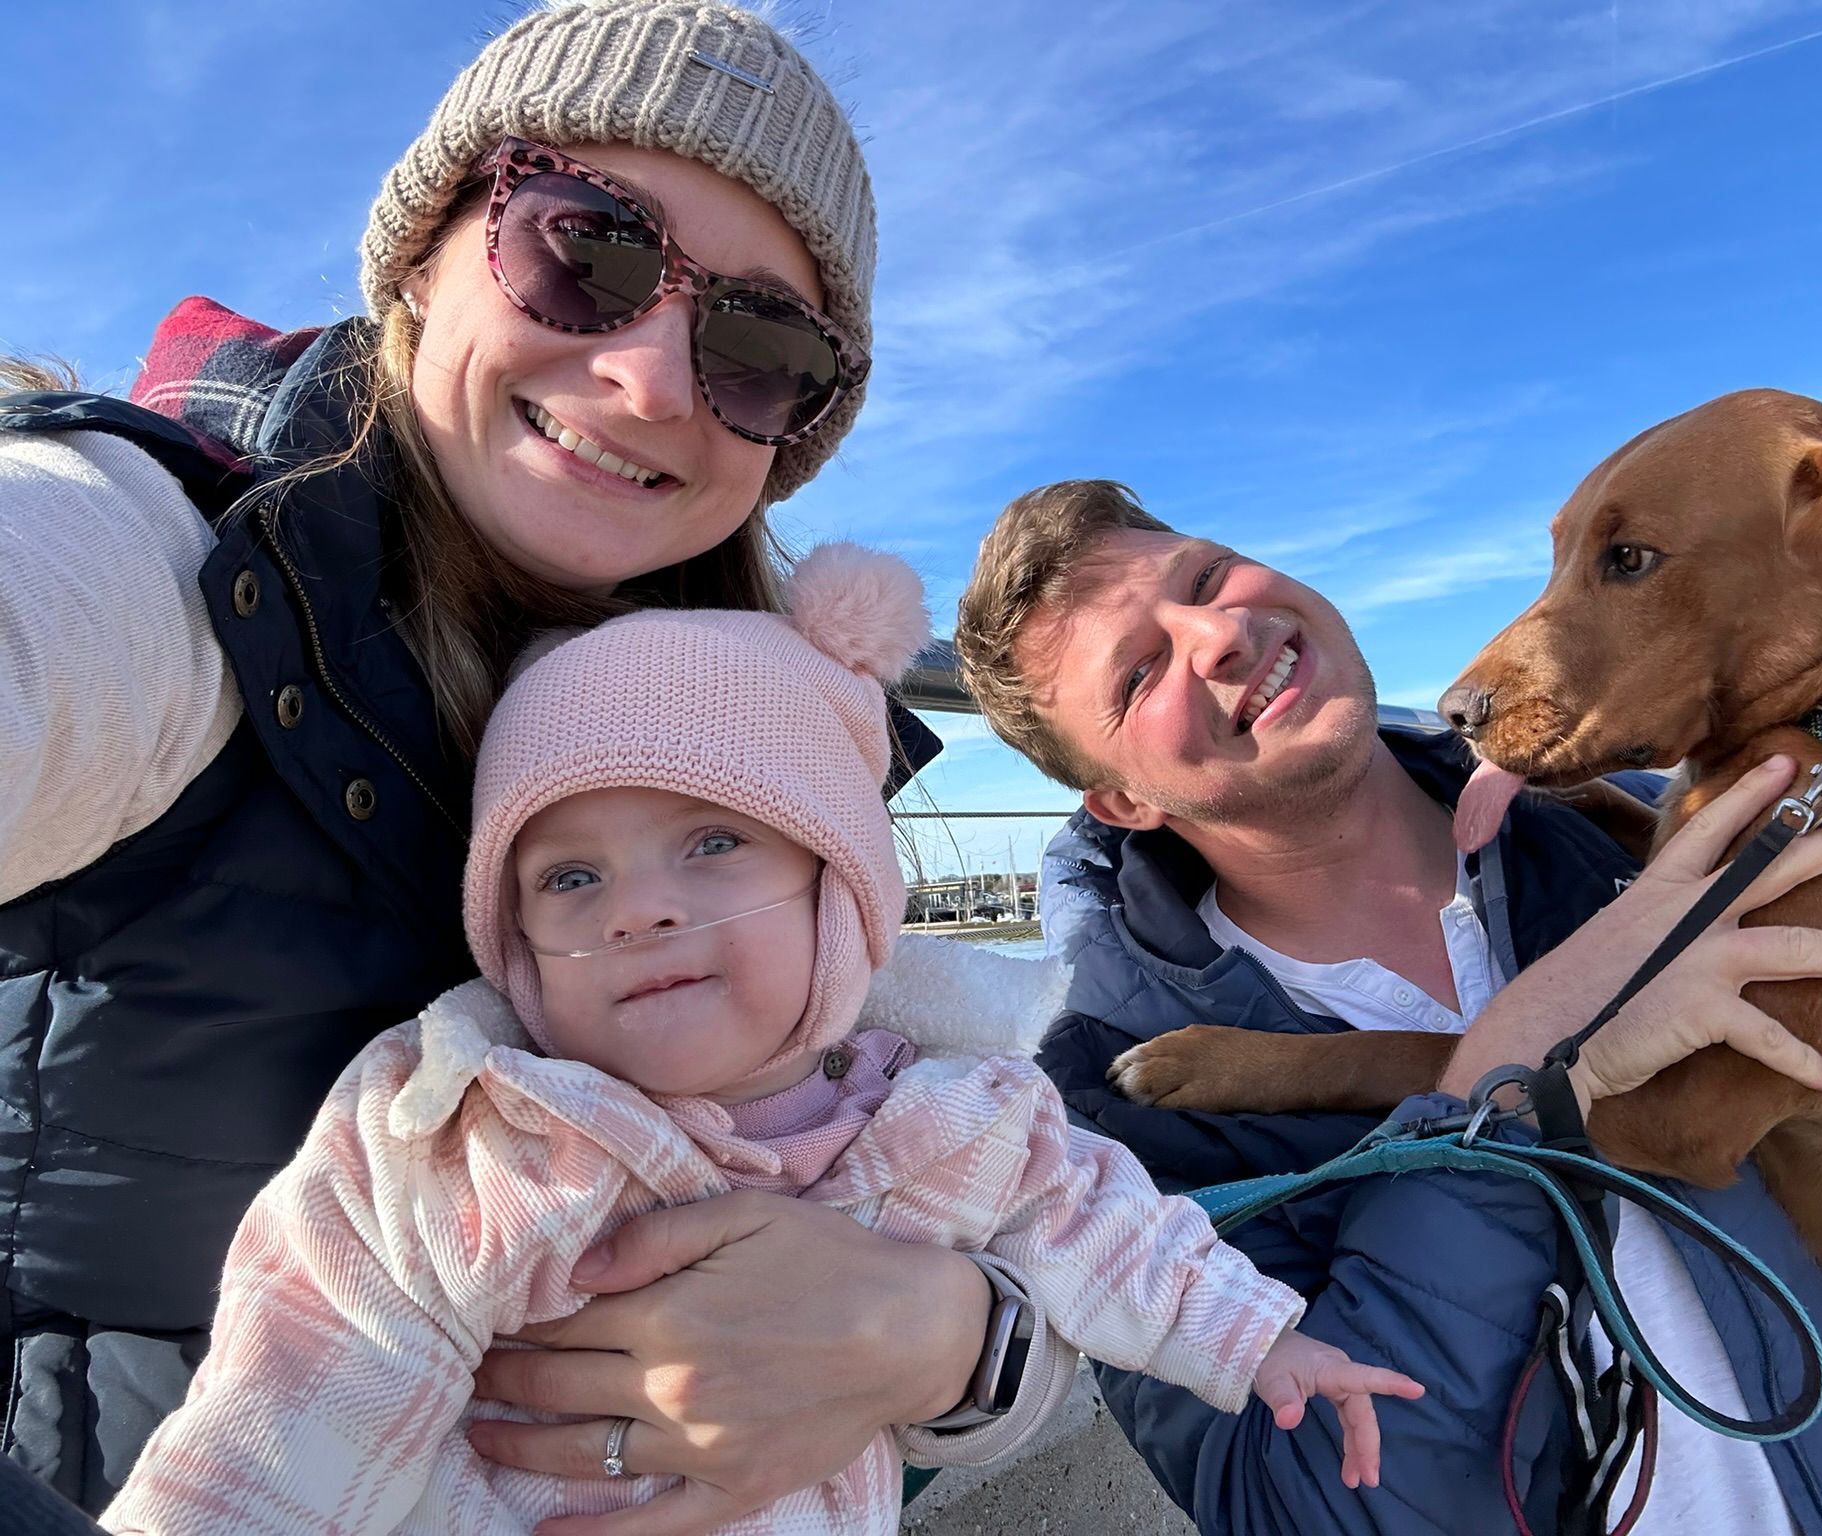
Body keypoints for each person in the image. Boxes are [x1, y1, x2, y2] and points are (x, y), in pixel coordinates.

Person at [0, 4, 1058, 1522]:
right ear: (425, 261)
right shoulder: (155, 571)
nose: (649, 378)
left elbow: (1027, 1192)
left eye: (761, 344)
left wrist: (947, 1339)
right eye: (591, 248)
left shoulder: (771, 738)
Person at [100, 544, 1428, 1535]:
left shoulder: (963, 1119)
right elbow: (283, 1422)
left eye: (715, 841)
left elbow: (1112, 1236)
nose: (641, 906)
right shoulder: (455, 1138)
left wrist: (1264, 1346)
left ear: (842, 896)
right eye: (569, 879)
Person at [955, 480, 1822, 1535]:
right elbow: (1299, 1504)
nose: (1217, 634)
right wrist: (1503, 1082)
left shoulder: (1621, 835)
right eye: (1137, 673)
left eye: (1207, 578)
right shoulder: (1104, 1110)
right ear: (1120, 802)